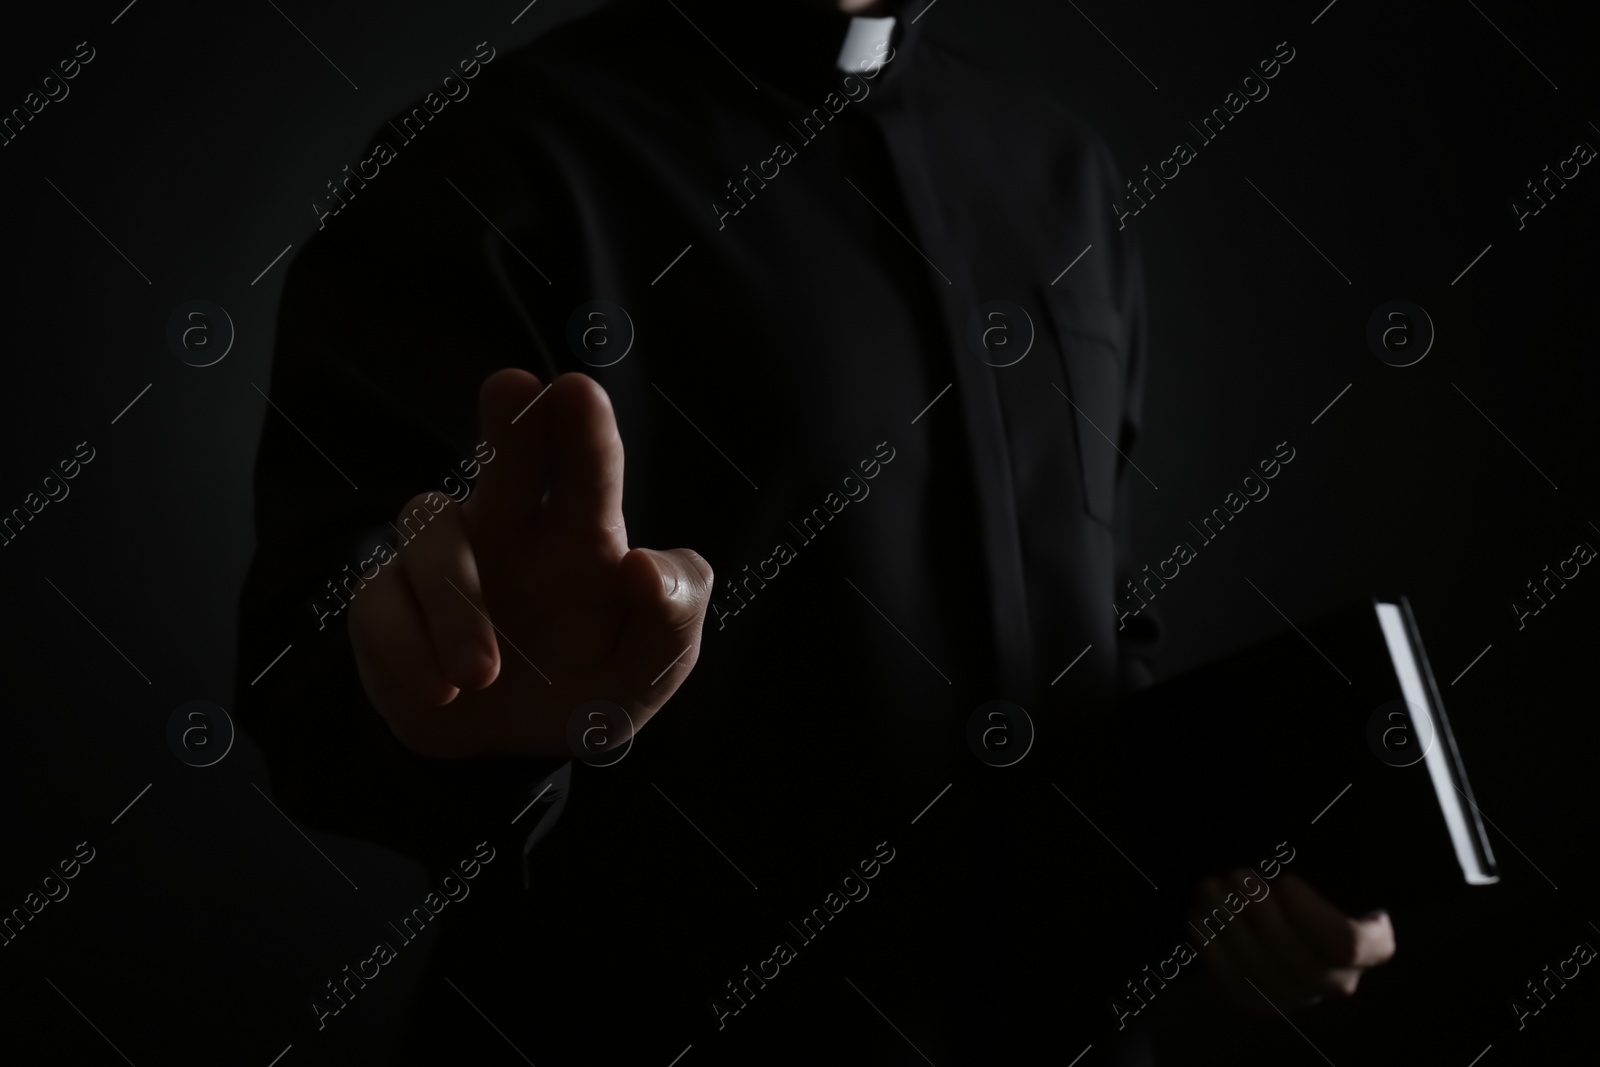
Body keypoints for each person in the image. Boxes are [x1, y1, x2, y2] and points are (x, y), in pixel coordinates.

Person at [236, 0, 1394, 1061]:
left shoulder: (1061, 169)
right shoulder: (488, 161)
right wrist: (442, 688)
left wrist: (1251, 870)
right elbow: (315, 670)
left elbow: (1099, 625)